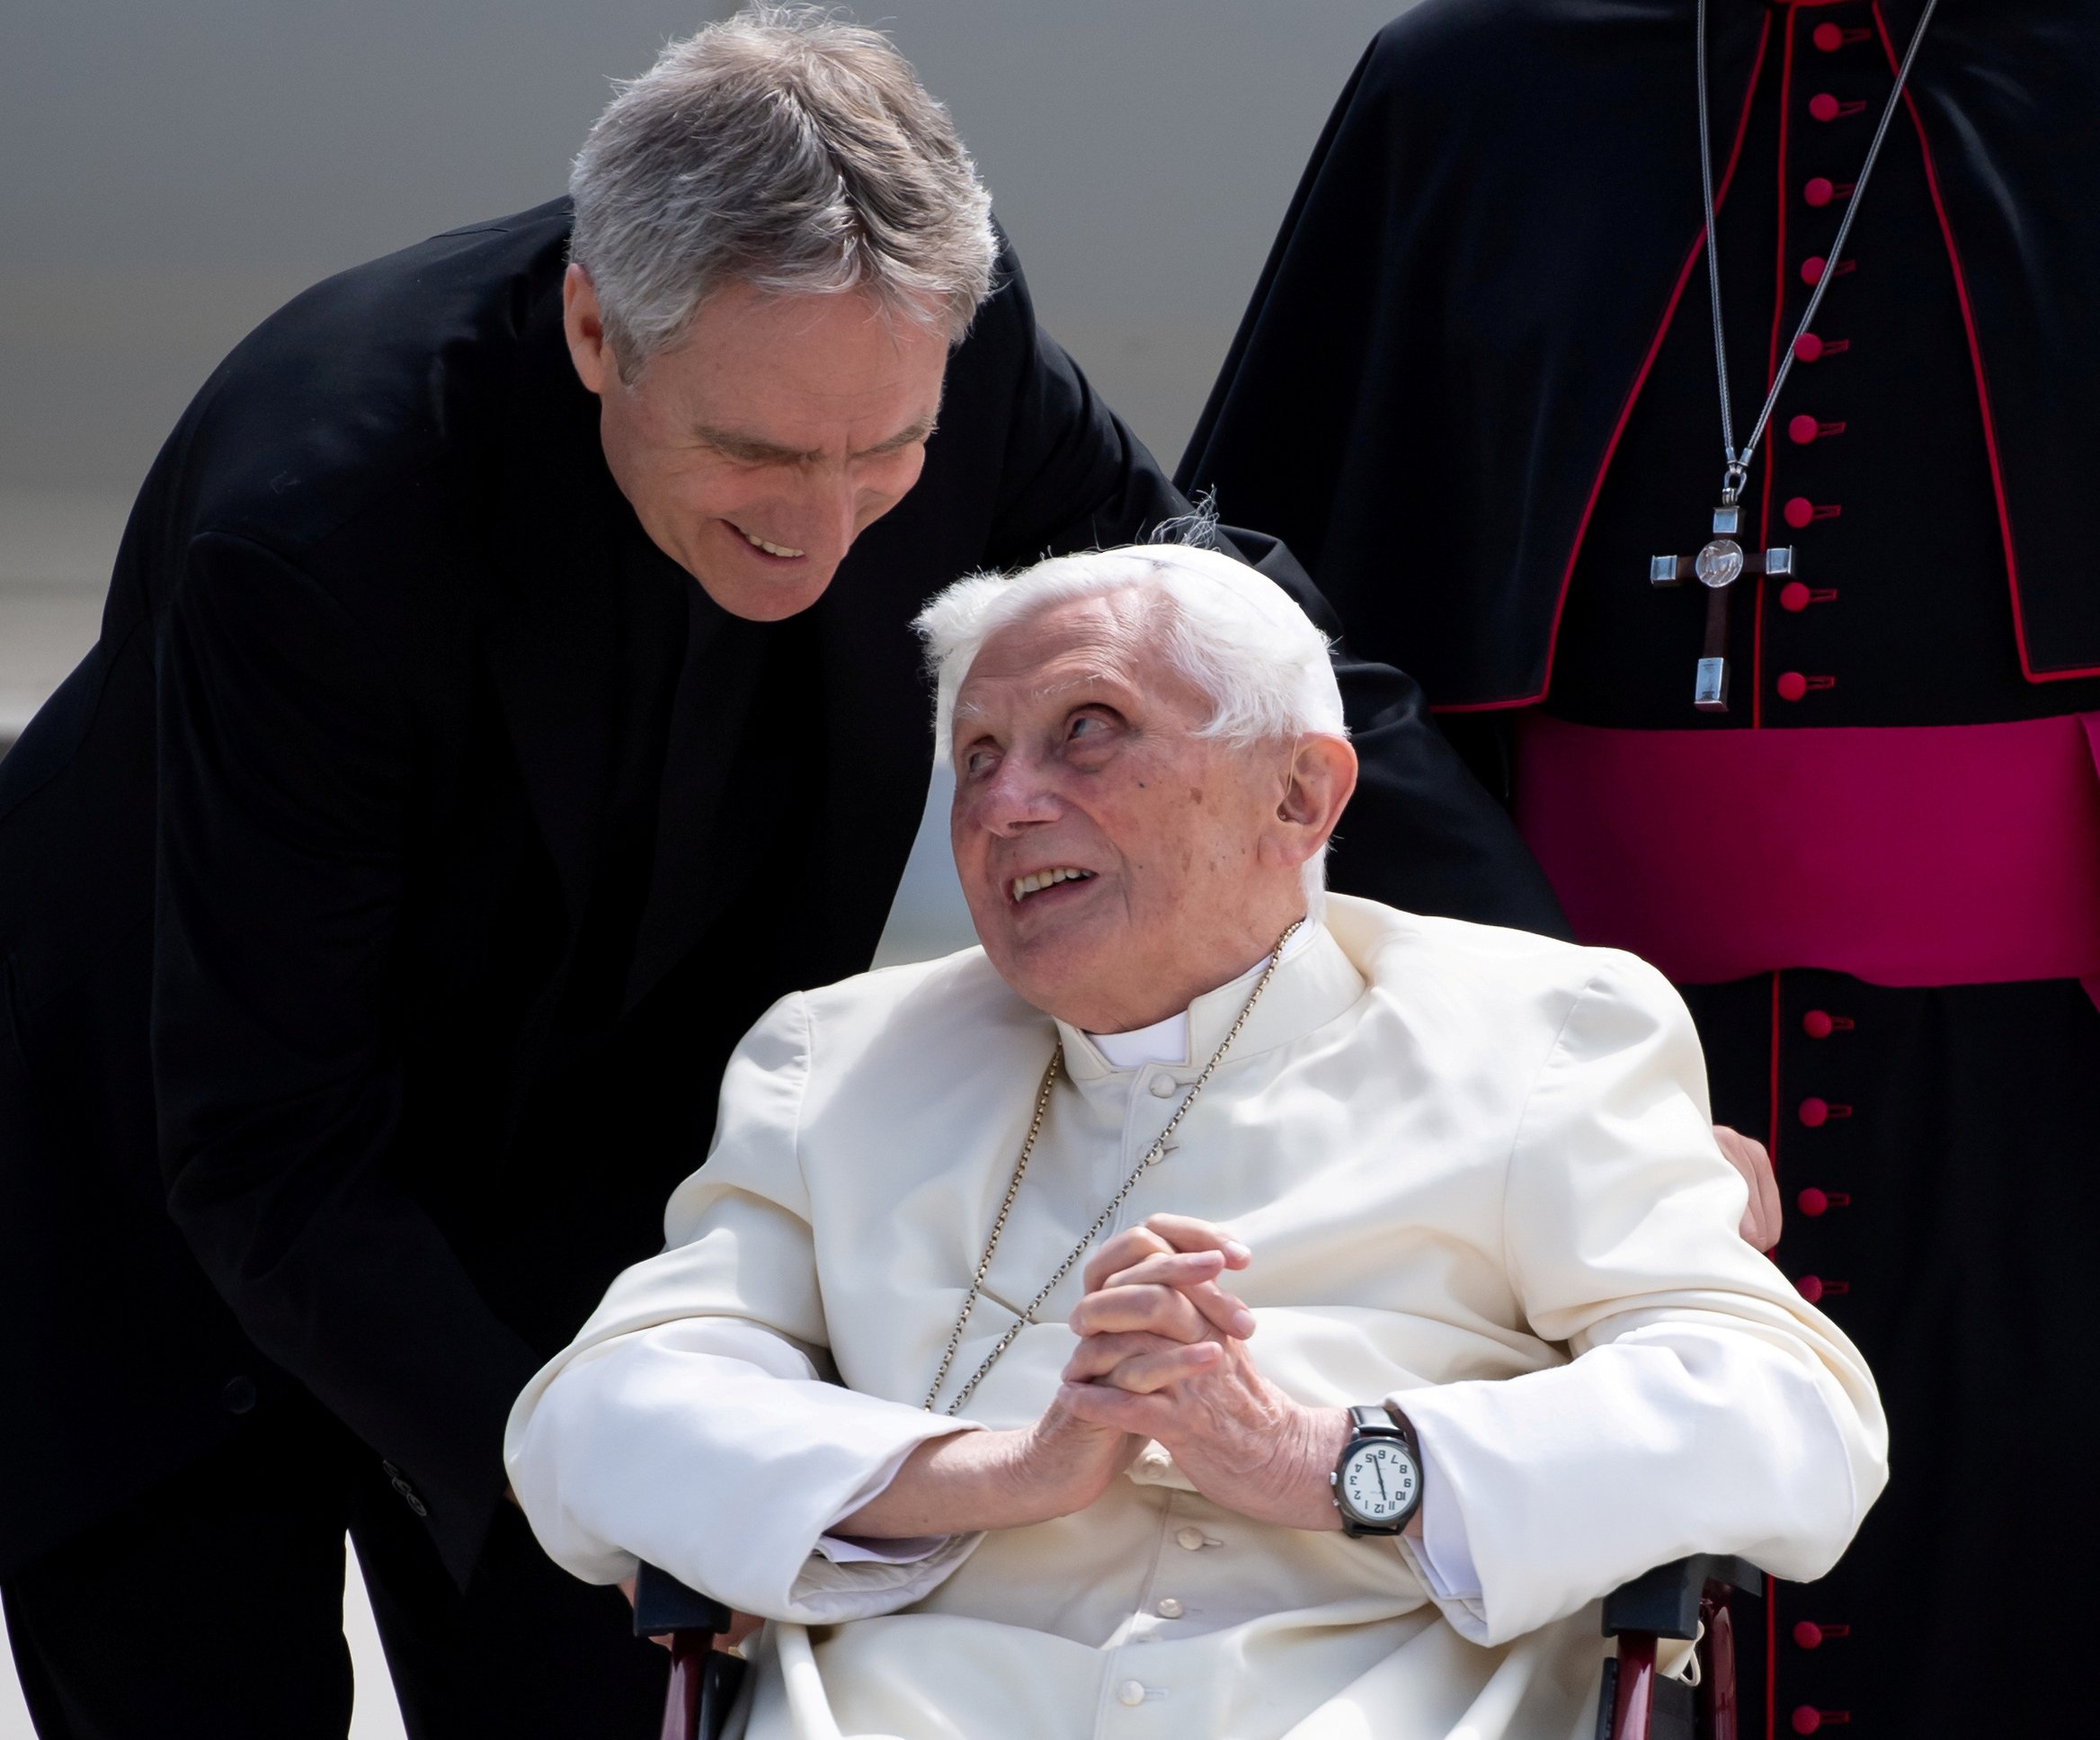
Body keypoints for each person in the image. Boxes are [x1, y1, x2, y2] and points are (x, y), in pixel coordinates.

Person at [0, 12, 1571, 1738]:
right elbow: (265, 1147)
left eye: (881, 459)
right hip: (153, 1182)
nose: (829, 529)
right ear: (601, 328)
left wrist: (1568, 1043)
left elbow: (1261, 683)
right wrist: (596, 1481)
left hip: (576, 1179)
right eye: (759, 459)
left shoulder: (931, 352)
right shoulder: (317, 517)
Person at [505, 544, 1886, 1740]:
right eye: (975, 756)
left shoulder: (1544, 1032)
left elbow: (1785, 1420)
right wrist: (999, 1472)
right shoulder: (841, 1061)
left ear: (1300, 797)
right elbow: (596, 1424)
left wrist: (1328, 1460)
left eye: (1085, 730)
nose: (1000, 805)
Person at [1176, 2, 2099, 1730]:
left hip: (2033, 1118)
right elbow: (1256, 593)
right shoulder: (1466, 83)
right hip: (1533, 1083)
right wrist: (1507, 971)